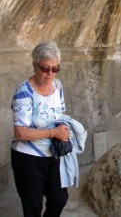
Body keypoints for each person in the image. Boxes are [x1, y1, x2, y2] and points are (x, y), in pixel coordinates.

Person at [10, 42, 87, 217]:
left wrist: (64, 129)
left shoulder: (57, 86)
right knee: (33, 206)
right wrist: (54, 133)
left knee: (59, 199)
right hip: (28, 158)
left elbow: (61, 113)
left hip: (53, 153)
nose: (50, 74)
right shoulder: (24, 92)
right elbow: (20, 132)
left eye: (55, 69)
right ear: (34, 66)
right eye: (45, 69)